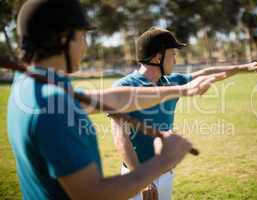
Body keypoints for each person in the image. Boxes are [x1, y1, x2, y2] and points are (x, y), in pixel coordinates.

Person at [7, 1, 228, 199]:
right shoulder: (51, 104)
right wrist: (164, 161)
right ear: (63, 38)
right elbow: (92, 194)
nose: (85, 46)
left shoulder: (29, 86)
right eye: (83, 36)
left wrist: (180, 90)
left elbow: (114, 98)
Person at [112, 27, 257, 200]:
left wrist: (244, 67)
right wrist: (141, 179)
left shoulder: (173, 81)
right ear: (158, 57)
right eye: (172, 54)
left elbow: (207, 73)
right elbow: (120, 138)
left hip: (165, 174)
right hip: (134, 177)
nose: (175, 60)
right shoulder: (123, 86)